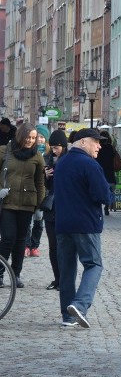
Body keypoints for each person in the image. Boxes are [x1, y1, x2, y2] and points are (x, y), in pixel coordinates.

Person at [56, 129, 113, 327]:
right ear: (82, 142)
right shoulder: (89, 164)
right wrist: (109, 195)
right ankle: (80, 305)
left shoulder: (61, 163)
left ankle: (68, 316)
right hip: (85, 224)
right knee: (94, 265)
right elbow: (102, 195)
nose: (99, 146)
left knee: (67, 270)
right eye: (95, 142)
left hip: (63, 225)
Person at [0, 123, 46, 289]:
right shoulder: (5, 151)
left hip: (27, 203)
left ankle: (16, 274)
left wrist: (40, 205)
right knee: (7, 238)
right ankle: (0, 272)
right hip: (7, 202)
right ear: (20, 136)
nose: (31, 141)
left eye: (33, 138)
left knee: (21, 241)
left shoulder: (37, 156)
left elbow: (40, 182)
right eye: (28, 137)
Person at [42, 130, 68, 290]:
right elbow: (47, 186)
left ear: (63, 146)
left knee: (63, 245)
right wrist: (45, 176)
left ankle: (64, 279)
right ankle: (57, 278)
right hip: (51, 208)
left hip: (64, 207)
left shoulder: (68, 160)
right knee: (53, 246)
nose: (54, 150)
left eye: (57, 147)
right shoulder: (48, 160)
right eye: (52, 147)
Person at [24, 126, 51, 258]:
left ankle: (35, 246)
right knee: (27, 220)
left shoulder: (50, 155)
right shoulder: (29, 152)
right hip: (29, 191)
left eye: (42, 137)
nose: (39, 139)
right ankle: (26, 245)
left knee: (39, 220)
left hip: (43, 192)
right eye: (38, 137)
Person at [95, 130, 118, 216]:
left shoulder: (98, 148)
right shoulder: (111, 148)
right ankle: (107, 206)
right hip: (110, 173)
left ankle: (100, 206)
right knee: (110, 190)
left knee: (99, 190)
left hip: (100, 172)